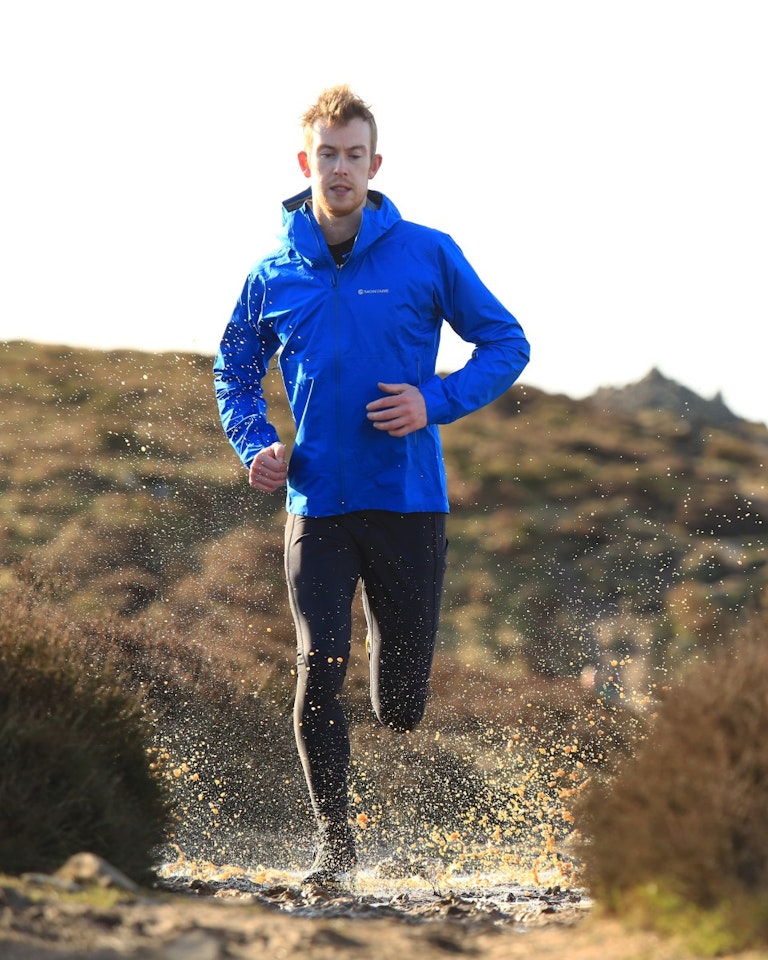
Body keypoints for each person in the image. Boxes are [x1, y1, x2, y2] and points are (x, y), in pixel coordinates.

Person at [214, 85, 530, 883]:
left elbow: (506, 341)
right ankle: (336, 848)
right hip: (316, 505)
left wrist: (434, 400)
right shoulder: (274, 272)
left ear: (375, 163)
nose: (342, 168)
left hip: (409, 504)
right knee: (319, 660)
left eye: (355, 154)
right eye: (329, 153)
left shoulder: (427, 253)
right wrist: (256, 444)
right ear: (305, 162)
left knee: (401, 704)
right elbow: (235, 371)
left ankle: (394, 711)